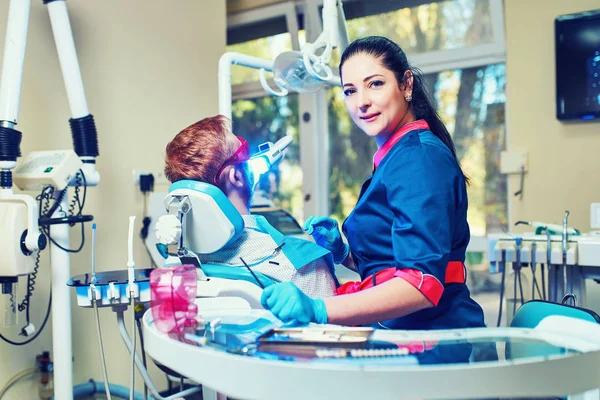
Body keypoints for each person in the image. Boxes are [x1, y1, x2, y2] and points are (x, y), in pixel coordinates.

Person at [260, 36, 486, 332]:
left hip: (434, 340)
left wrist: (318, 308)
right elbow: (391, 264)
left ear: (406, 85)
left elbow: (420, 284)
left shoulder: (418, 158)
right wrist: (344, 253)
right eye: (350, 91)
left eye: (375, 84)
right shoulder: (395, 158)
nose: (362, 102)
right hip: (401, 332)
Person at [163, 115, 338, 299]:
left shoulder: (178, 265)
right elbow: (335, 326)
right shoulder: (304, 265)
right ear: (236, 177)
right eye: (244, 150)